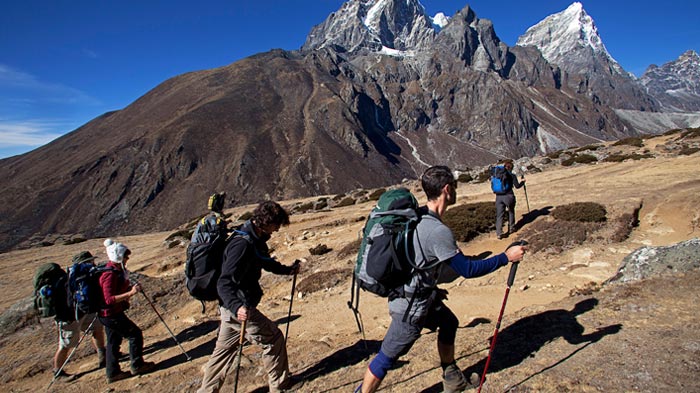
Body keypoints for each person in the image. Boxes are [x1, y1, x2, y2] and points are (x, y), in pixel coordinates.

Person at [358, 165, 527, 393]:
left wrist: (432, 287)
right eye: (455, 187)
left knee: (449, 322)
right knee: (386, 358)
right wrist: (506, 257)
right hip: (411, 308)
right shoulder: (437, 232)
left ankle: (453, 380)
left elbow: (417, 261)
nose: (456, 191)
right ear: (447, 190)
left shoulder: (417, 216)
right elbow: (467, 269)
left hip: (421, 296)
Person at [197, 201, 302, 393]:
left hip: (229, 310)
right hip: (240, 308)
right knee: (274, 339)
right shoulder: (242, 244)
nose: (277, 229)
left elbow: (265, 261)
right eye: (276, 224)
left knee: (222, 353)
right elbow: (224, 282)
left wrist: (288, 270)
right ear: (266, 222)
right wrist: (238, 307)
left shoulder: (253, 237)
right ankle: (280, 385)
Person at [99, 239, 155, 383]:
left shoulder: (114, 270)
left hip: (107, 314)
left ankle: (113, 373)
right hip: (111, 313)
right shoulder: (110, 274)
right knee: (134, 334)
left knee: (113, 341)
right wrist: (130, 293)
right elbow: (109, 299)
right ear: (119, 256)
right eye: (125, 256)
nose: (127, 259)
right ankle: (137, 365)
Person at [52, 251, 107, 379]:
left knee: (98, 328)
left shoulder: (83, 275)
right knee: (66, 344)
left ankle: (103, 357)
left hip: (83, 311)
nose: (93, 263)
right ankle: (58, 372)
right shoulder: (73, 278)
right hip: (69, 316)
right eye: (91, 261)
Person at [495, 159, 525, 239]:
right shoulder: (512, 175)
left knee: (499, 215)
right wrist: (523, 182)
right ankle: (511, 228)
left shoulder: (497, 175)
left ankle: (499, 233)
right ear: (511, 168)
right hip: (509, 196)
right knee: (511, 211)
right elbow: (517, 186)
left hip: (498, 196)